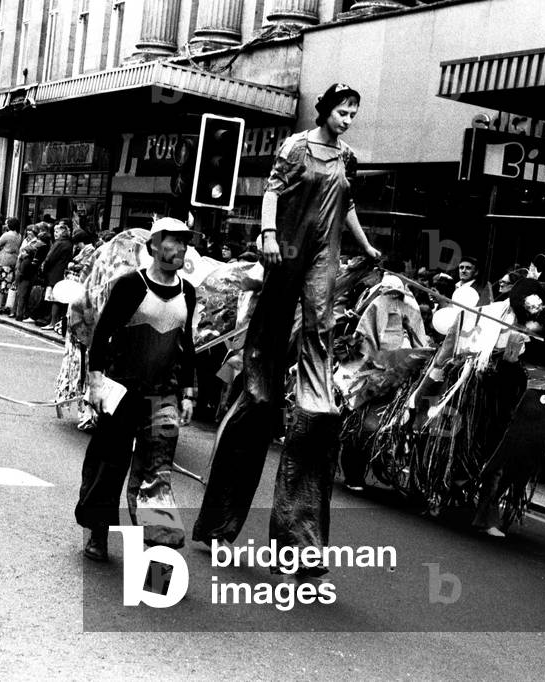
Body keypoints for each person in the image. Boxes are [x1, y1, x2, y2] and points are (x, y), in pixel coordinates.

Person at [192, 83, 381, 570]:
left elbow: (348, 206)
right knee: (259, 392)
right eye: (342, 112)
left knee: (316, 399)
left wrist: (365, 246)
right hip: (287, 254)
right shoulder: (296, 146)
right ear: (325, 110)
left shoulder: (347, 158)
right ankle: (219, 524)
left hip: (324, 258)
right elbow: (273, 192)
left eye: (353, 114)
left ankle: (299, 542)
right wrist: (268, 233)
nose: (348, 120)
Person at [76, 217, 197, 561]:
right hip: (121, 390)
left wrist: (188, 392)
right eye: (174, 241)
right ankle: (97, 533)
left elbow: (185, 345)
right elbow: (101, 335)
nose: (181, 248)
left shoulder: (187, 291)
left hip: (163, 396)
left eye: (185, 243)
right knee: (108, 465)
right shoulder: (130, 284)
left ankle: (161, 556)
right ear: (155, 247)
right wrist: (96, 380)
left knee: (157, 474)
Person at [39, 221, 74, 331]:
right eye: (54, 231)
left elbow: (49, 258)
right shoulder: (69, 243)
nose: (55, 233)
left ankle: (52, 323)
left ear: (63, 231)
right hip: (62, 272)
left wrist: (43, 268)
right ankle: (56, 322)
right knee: (59, 299)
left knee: (54, 299)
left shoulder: (59, 243)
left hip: (54, 273)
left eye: (57, 231)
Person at [0, 217, 22, 313]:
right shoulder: (19, 235)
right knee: (8, 283)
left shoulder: (6, 235)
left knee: (0, 284)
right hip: (14, 260)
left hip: (3, 260)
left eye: (7, 223)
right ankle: (6, 305)